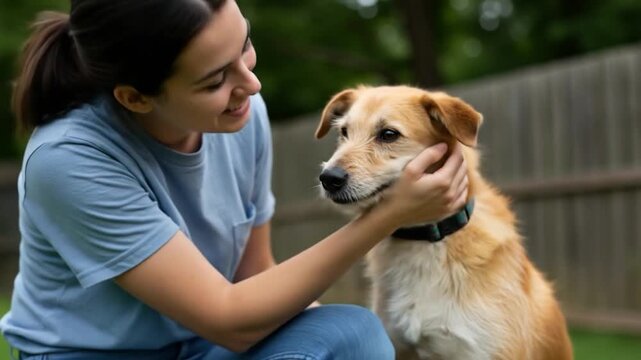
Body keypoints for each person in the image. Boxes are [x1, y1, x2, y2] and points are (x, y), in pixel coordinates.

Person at [0, 0, 469, 359]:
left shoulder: (242, 114)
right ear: (136, 98)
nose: (251, 84)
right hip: (95, 354)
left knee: (354, 334)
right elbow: (229, 319)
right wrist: (389, 215)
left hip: (201, 347)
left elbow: (256, 276)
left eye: (244, 45)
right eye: (215, 80)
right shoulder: (69, 158)